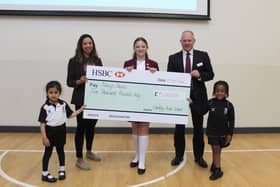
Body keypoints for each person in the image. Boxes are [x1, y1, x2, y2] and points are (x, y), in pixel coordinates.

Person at [167, 31, 214, 167]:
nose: (187, 43)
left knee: (198, 128)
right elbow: (169, 77)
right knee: (179, 128)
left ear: (194, 41)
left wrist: (200, 75)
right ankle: (178, 155)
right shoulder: (173, 58)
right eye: (184, 40)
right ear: (180, 42)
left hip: (198, 97)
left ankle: (199, 157)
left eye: (189, 40)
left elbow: (210, 74)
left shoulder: (203, 55)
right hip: (180, 97)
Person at [123, 37, 159, 175]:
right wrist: (127, 72)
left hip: (147, 100)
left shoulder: (153, 64)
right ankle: (137, 156)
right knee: (135, 127)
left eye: (143, 46)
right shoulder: (127, 63)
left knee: (144, 127)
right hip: (132, 99)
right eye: (137, 46)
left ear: (147, 48)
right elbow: (123, 82)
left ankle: (142, 161)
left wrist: (155, 73)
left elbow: (158, 83)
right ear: (134, 49)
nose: (140, 48)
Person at [67, 34, 102, 170]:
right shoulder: (74, 61)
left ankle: (89, 152)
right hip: (81, 98)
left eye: (90, 43)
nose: (88, 45)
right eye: (85, 43)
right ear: (80, 46)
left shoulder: (97, 60)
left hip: (95, 99)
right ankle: (79, 158)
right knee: (81, 128)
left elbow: (103, 78)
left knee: (91, 127)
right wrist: (79, 81)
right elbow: (69, 82)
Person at [38, 81, 84, 183]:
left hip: (61, 130)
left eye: (55, 92)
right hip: (50, 132)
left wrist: (80, 110)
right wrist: (44, 137)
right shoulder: (45, 107)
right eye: (51, 92)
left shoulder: (63, 104)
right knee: (48, 153)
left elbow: (70, 115)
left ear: (59, 93)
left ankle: (62, 170)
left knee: (60, 151)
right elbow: (42, 124)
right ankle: (44, 173)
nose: (53, 95)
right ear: (47, 93)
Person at [190, 80, 235, 180]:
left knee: (217, 150)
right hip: (212, 132)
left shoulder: (229, 105)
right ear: (214, 92)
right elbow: (201, 111)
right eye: (217, 91)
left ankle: (216, 167)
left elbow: (231, 121)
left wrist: (230, 134)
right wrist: (192, 104)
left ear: (226, 93)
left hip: (223, 133)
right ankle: (217, 168)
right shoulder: (210, 103)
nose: (220, 93)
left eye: (222, 91)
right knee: (215, 150)